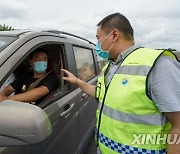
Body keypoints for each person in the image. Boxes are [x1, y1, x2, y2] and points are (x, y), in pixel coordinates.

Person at [61, 13, 180, 154]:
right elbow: (101, 94)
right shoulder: (111, 67)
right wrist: (78, 82)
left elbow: (178, 124)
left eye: (98, 38)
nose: (98, 44)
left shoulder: (158, 64)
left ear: (114, 35)